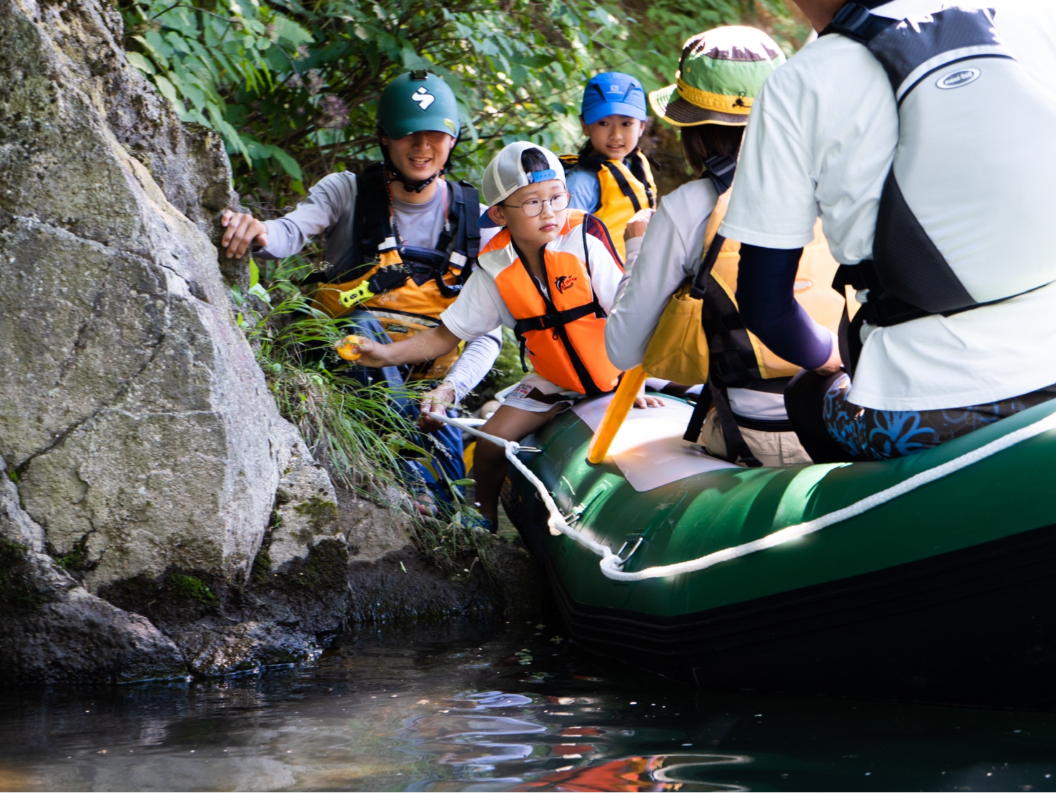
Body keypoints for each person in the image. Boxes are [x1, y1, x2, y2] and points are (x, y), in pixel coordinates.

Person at [721, 0, 1056, 461]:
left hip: (926, 407)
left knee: (809, 399)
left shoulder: (798, 83)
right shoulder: (1044, 11)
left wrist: (828, 360)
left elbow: (765, 304)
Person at [219, 70, 502, 509]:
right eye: (408, 134)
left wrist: (450, 393)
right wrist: (257, 230)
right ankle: (402, 465)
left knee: (449, 505)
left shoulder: (479, 223)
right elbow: (288, 233)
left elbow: (487, 335)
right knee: (358, 321)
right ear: (385, 138)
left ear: (452, 140)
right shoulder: (346, 192)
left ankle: (424, 471)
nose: (422, 147)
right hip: (345, 372)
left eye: (434, 135)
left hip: (426, 399)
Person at [349, 142, 664, 530]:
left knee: (690, 377)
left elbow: (627, 311)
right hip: (555, 379)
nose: (549, 211)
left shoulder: (584, 236)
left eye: (556, 197)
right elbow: (445, 336)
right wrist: (384, 354)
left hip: (617, 364)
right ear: (498, 213)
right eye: (532, 203)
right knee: (491, 441)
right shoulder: (495, 267)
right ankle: (483, 518)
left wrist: (635, 378)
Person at [604, 26, 847, 466]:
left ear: (692, 128)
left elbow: (622, 350)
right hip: (855, 417)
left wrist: (638, 248)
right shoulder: (839, 179)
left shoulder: (685, 209)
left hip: (760, 436)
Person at [564, 71, 658, 258]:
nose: (616, 135)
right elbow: (565, 247)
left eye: (626, 123)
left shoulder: (632, 172)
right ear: (585, 126)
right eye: (604, 123)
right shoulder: (579, 183)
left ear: (641, 126)